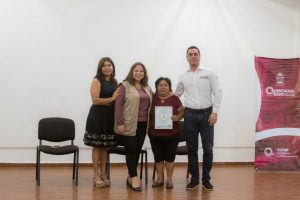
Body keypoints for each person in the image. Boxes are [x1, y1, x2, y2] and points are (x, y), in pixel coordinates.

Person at [175, 46, 222, 191]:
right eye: (190, 54)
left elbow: (218, 92)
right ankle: (194, 179)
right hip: (190, 115)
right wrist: (160, 99)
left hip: (207, 115)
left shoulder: (209, 73)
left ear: (199, 56)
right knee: (192, 149)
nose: (193, 57)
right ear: (187, 57)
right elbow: (176, 95)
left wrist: (215, 112)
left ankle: (206, 179)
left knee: (208, 149)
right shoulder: (183, 76)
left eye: (195, 54)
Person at [114, 62, 152, 192]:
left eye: (141, 71)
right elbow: (118, 106)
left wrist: (170, 93)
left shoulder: (146, 87)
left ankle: (130, 176)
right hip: (128, 123)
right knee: (131, 149)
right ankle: (135, 177)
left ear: (144, 73)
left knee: (136, 150)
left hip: (143, 124)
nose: (139, 73)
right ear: (132, 72)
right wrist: (120, 123)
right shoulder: (124, 85)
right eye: (136, 70)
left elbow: (155, 99)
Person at [83, 57, 120, 188]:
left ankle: (103, 173)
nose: (107, 67)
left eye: (109, 65)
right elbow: (95, 100)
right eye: (104, 65)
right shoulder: (97, 80)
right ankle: (96, 175)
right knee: (97, 146)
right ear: (100, 68)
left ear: (113, 67)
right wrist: (112, 98)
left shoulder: (115, 81)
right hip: (98, 116)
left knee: (105, 146)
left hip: (109, 117)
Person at [148, 77, 184, 189]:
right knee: (158, 158)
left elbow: (182, 111)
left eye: (165, 85)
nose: (163, 87)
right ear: (156, 87)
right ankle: (160, 179)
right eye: (160, 85)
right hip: (154, 135)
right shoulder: (151, 98)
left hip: (172, 135)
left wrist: (177, 117)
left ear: (169, 87)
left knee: (170, 158)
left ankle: (169, 179)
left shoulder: (175, 98)